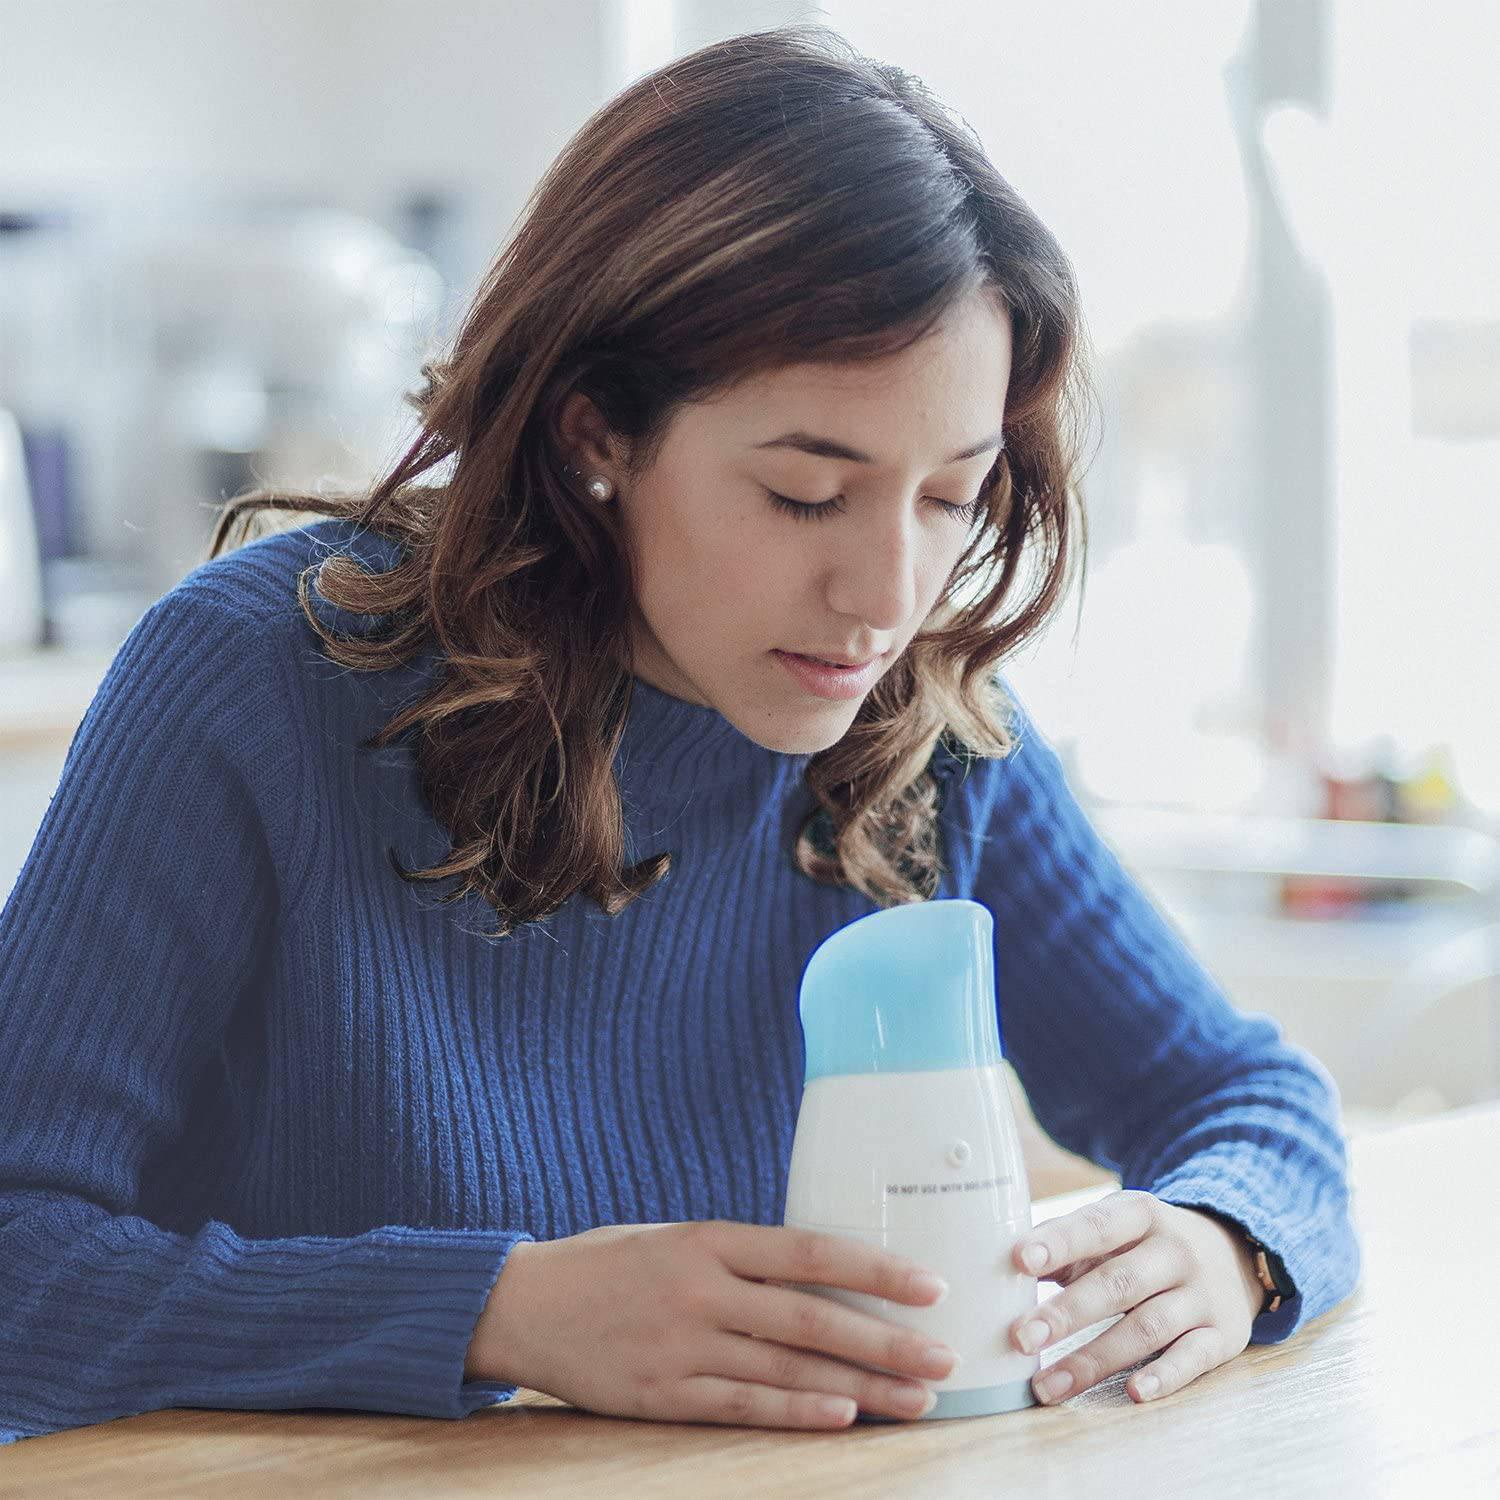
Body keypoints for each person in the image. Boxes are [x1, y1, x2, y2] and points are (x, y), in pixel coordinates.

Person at [0, 23, 1359, 1445]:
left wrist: (1221, 1241)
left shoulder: (932, 740)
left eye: (950, 496)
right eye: (803, 496)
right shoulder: (259, 676)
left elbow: (1249, 1099)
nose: (887, 598)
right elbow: (18, 1263)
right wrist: (498, 1309)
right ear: (596, 434)